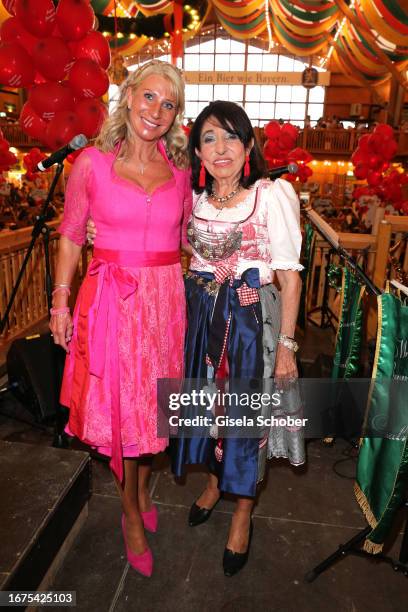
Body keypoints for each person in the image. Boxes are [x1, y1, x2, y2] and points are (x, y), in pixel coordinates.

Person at [50, 60, 192, 578]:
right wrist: (60, 301)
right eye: (149, 97)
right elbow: (70, 232)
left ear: (176, 116)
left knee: (152, 414)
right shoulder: (90, 163)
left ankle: (142, 489)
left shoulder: (180, 174)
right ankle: (130, 513)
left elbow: (189, 241)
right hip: (112, 302)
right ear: (128, 96)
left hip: (164, 306)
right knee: (119, 416)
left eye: (168, 103)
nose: (156, 111)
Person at [172, 101, 304, 576]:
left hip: (253, 326)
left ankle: (243, 512)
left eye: (231, 137)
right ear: (198, 152)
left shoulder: (271, 195)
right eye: (209, 138)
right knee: (208, 409)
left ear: (249, 146)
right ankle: (213, 483)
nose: (221, 147)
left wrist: (287, 348)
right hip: (204, 321)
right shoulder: (195, 200)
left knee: (246, 422)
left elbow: (289, 277)